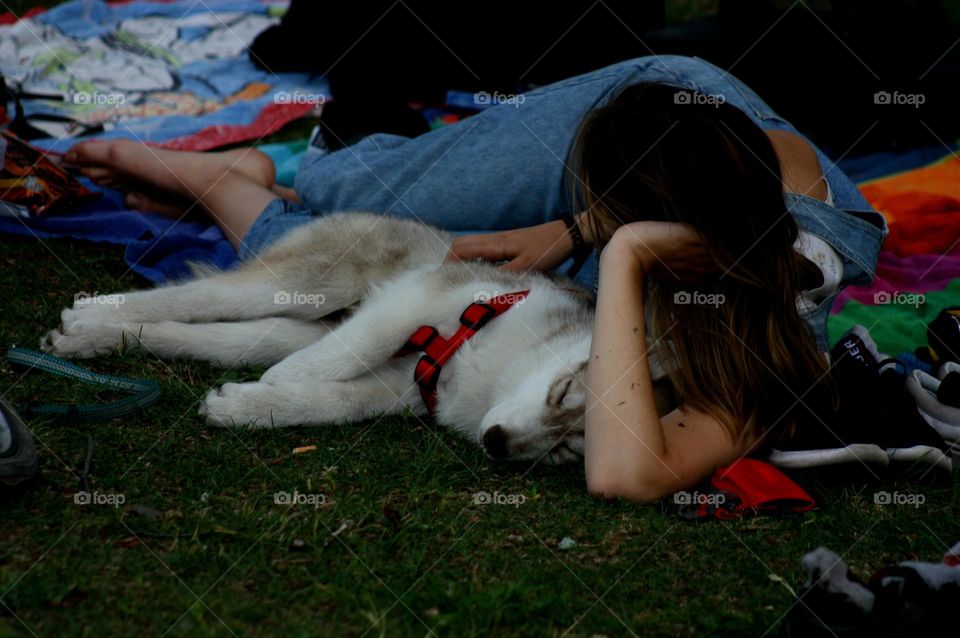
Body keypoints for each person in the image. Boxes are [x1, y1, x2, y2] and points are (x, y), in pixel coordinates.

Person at [63, 55, 885, 502]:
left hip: (667, 181)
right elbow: (734, 175)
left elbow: (620, 475)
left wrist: (624, 250)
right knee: (347, 191)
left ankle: (225, 181)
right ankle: (286, 166)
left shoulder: (750, 369)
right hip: (683, 105)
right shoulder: (761, 176)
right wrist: (574, 227)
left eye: (610, 221)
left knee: (349, 246)